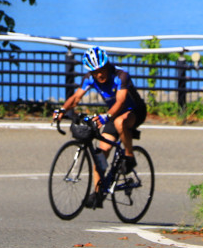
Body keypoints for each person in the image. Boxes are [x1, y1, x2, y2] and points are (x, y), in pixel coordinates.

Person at [54, 45, 148, 208]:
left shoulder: (121, 76)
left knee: (120, 123)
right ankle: (98, 192)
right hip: (113, 114)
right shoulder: (90, 77)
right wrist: (62, 110)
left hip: (134, 111)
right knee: (100, 154)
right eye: (95, 71)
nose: (99, 74)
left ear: (107, 65)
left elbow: (120, 101)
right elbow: (76, 97)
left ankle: (129, 157)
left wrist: (106, 117)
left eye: (101, 70)